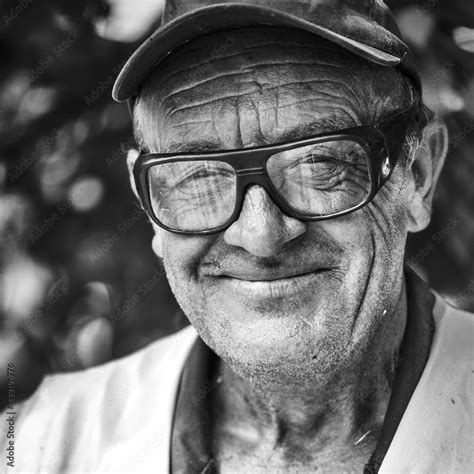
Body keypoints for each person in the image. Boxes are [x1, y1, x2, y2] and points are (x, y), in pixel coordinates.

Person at [2, 1, 473, 472]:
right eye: (200, 177)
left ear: (419, 175)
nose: (260, 235)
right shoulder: (41, 444)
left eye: (320, 164)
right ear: (147, 204)